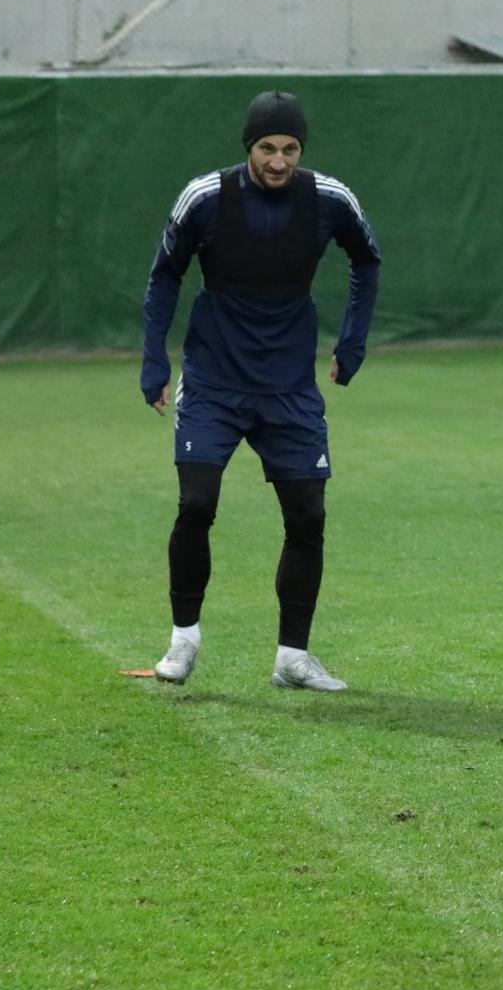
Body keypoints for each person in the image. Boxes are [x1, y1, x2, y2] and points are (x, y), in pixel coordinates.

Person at [140, 90, 380, 692]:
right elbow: (165, 275)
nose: (278, 161)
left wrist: (352, 342)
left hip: (289, 388)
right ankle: (183, 641)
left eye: (290, 149)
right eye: (267, 148)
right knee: (197, 504)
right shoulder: (204, 198)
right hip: (214, 381)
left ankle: (293, 658)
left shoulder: (330, 199)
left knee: (308, 516)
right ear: (249, 146)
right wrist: (154, 360)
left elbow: (366, 260)